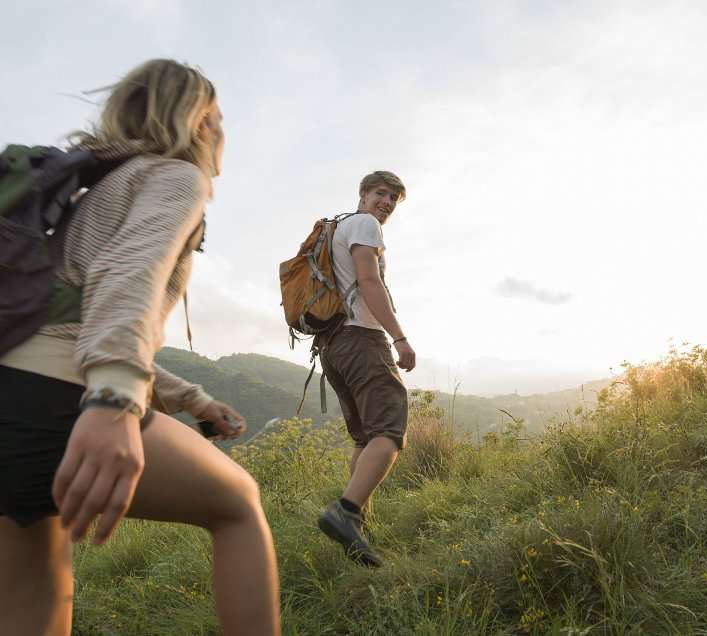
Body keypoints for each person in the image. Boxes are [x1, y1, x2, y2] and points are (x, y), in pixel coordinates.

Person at [0, 59, 280, 636]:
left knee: (37, 601)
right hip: (59, 401)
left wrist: (195, 400)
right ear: (200, 121)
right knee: (238, 506)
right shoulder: (178, 178)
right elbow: (127, 277)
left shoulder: (89, 192)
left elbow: (77, 315)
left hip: (11, 402)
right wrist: (115, 401)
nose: (223, 134)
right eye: (220, 120)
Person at [316, 171, 415, 567]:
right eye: (381, 193)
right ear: (362, 194)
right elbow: (369, 281)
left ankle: (358, 525)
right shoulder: (364, 224)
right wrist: (399, 337)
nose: (387, 202)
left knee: (364, 437)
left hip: (332, 345)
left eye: (394, 198)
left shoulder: (337, 227)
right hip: (361, 338)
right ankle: (346, 512)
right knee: (390, 429)